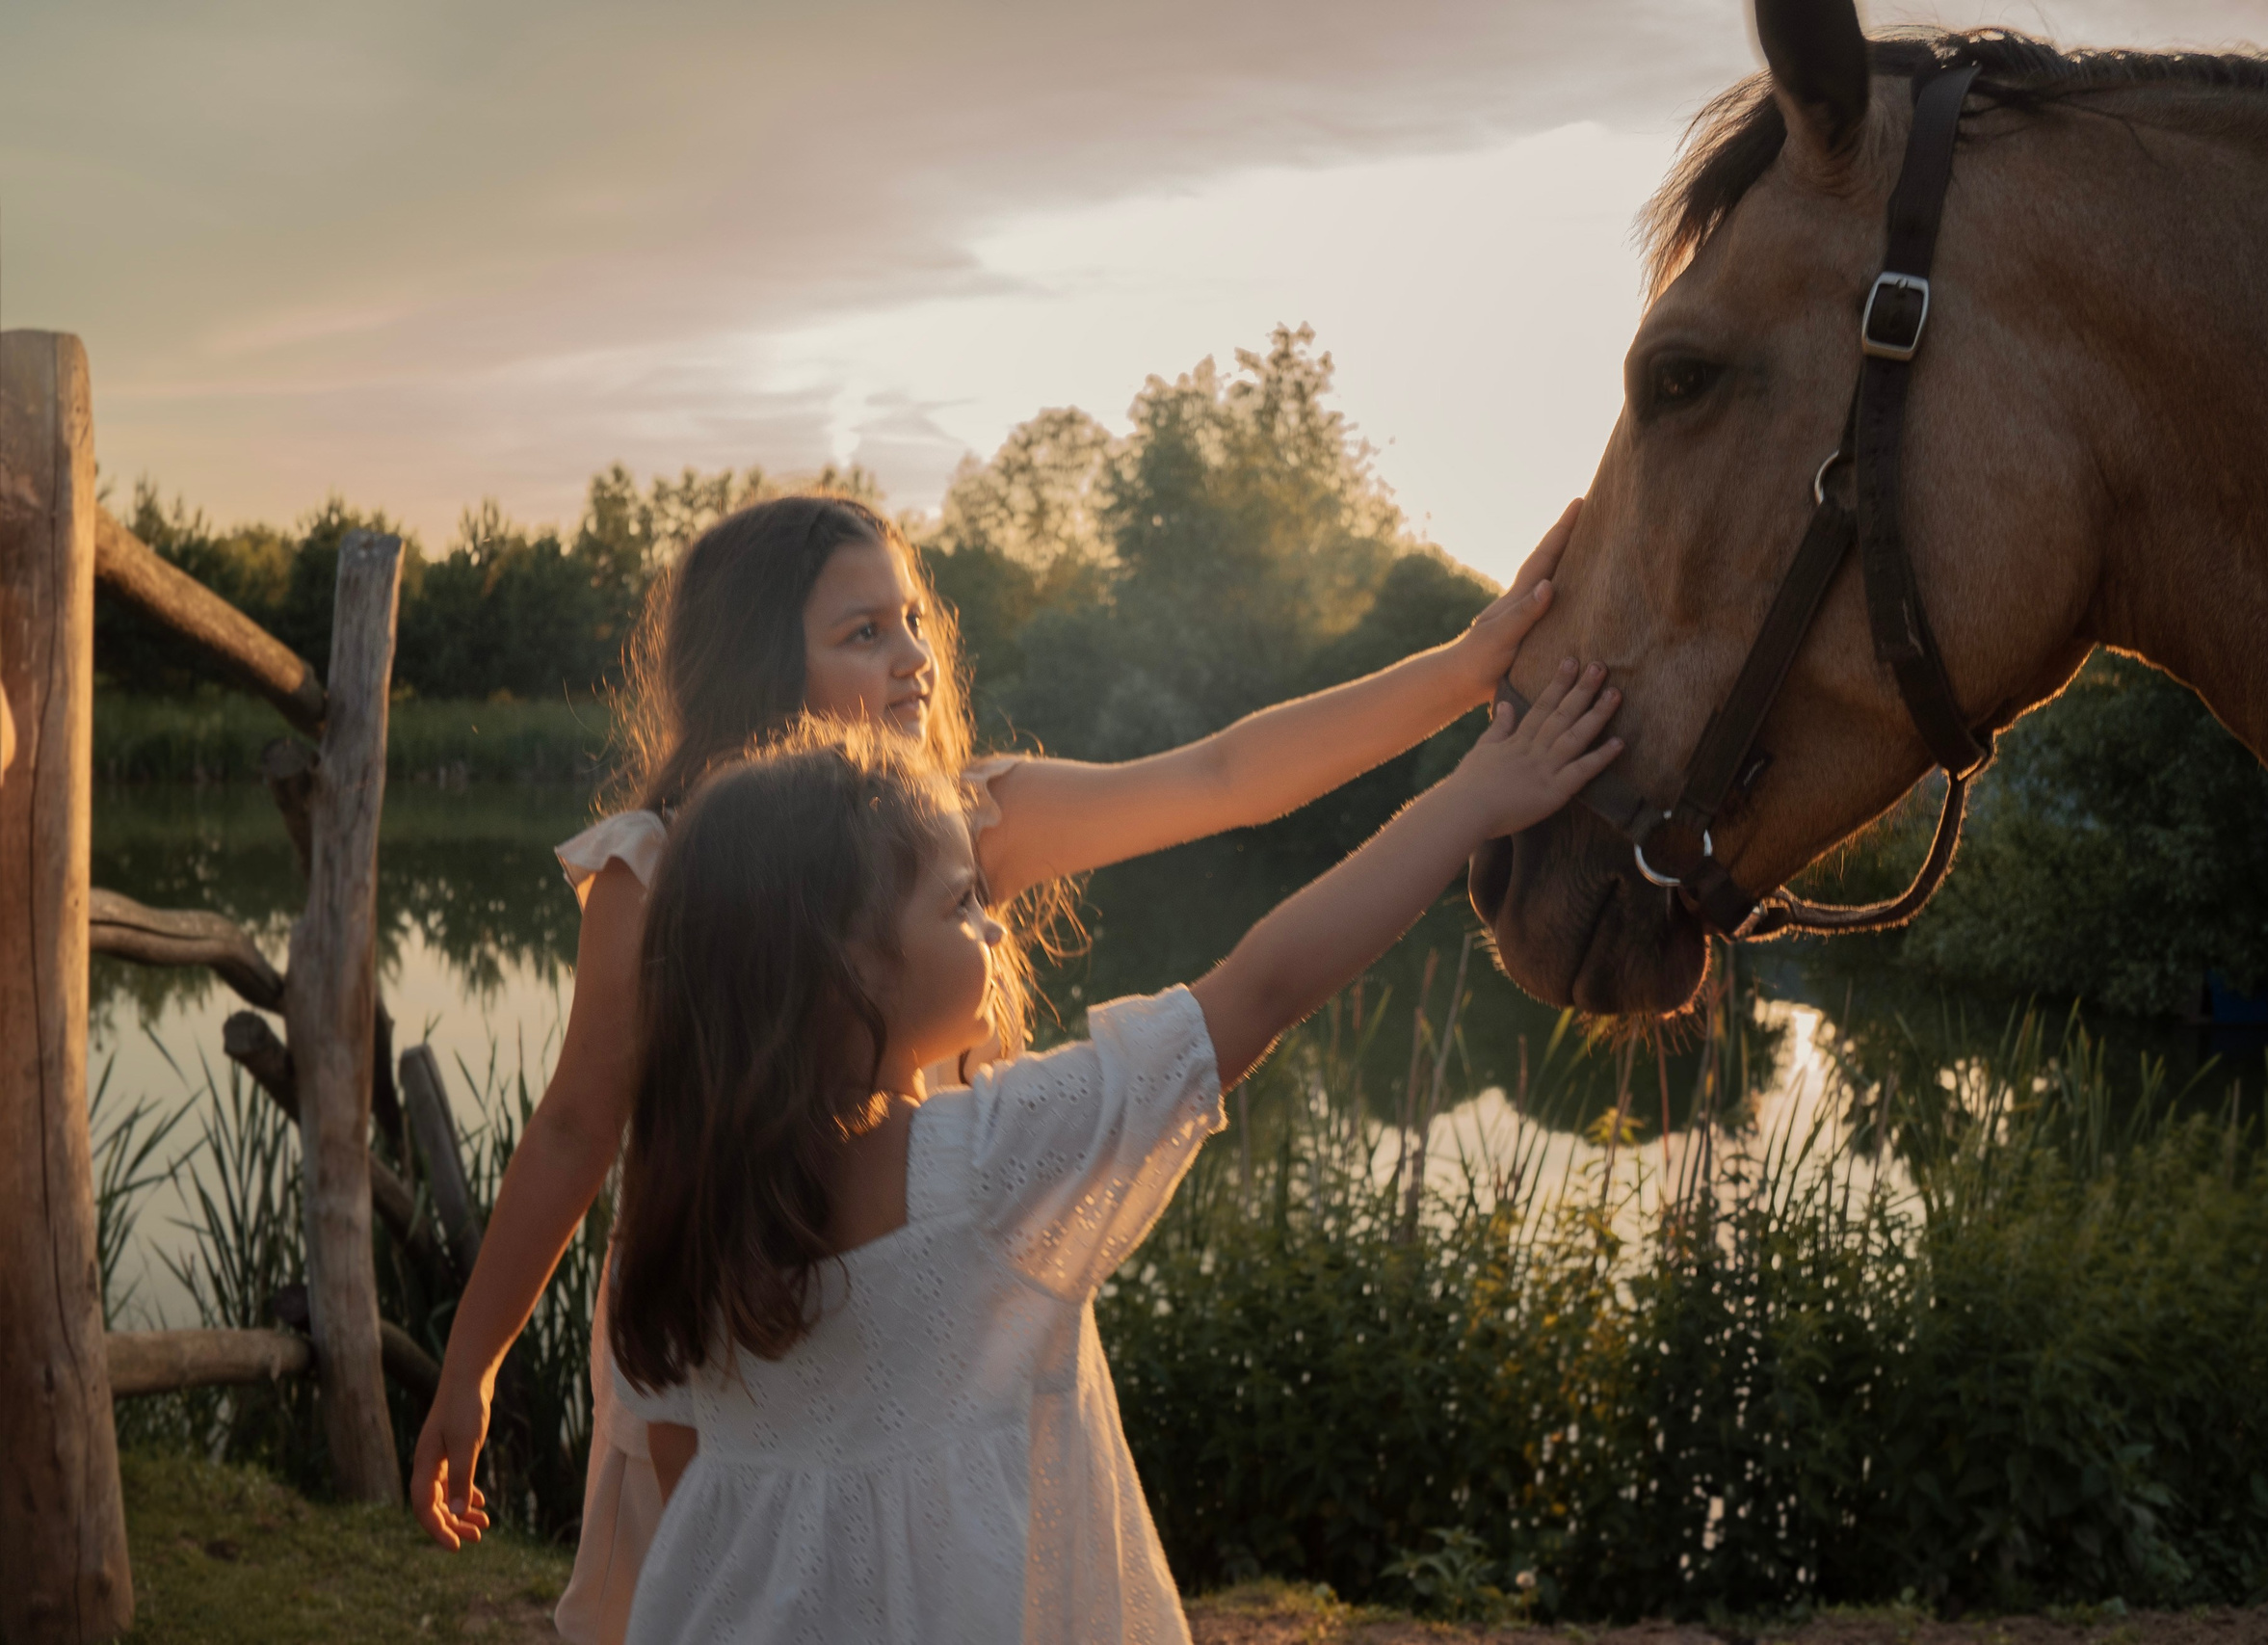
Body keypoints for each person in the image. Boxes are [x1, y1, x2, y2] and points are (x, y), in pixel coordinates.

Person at [409, 488, 1579, 1643]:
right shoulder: (658, 870)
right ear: (757, 666)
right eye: (862, 633)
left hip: (937, 1346)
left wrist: (1468, 668)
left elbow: (1224, 776)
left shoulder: (957, 819)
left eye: (911, 617)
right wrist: (473, 1364)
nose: (913, 654)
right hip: (743, 1328)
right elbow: (574, 1128)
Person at [608, 663, 1621, 1642]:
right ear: (853, 965)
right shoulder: (982, 1166)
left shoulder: (679, 1210)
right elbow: (1259, 990)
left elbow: (684, 1480)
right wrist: (1473, 799)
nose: (992, 927)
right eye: (960, 903)